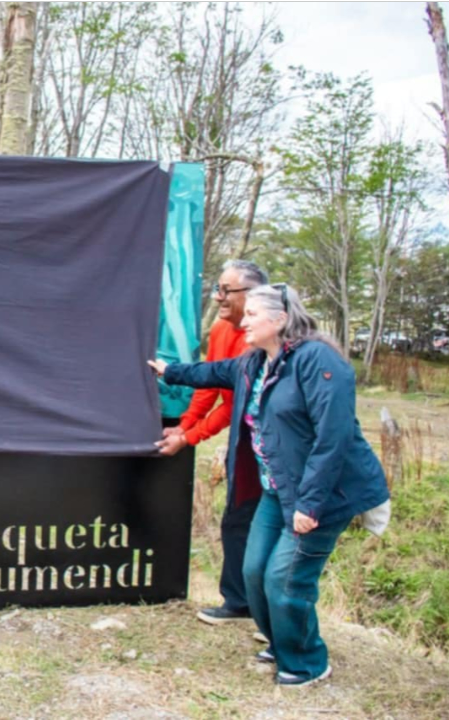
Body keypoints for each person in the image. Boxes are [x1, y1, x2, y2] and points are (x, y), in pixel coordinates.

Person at [150, 284, 389, 687]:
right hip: (277, 490)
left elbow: (333, 441)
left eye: (251, 315)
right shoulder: (254, 363)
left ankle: (307, 661)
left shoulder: (320, 362)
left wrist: (310, 506)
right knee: (254, 571)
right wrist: (167, 370)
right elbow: (210, 372)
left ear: (279, 320)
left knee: (286, 578)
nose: (243, 321)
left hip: (325, 494)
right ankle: (282, 644)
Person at [157, 260, 269, 627]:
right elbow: (210, 385)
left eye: (225, 290)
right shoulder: (222, 328)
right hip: (242, 439)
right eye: (217, 289)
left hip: (266, 440)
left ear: (252, 295)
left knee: (261, 522)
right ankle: (239, 602)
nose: (218, 297)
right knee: (236, 519)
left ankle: (266, 611)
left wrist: (191, 436)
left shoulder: (266, 338)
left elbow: (234, 402)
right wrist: (184, 427)